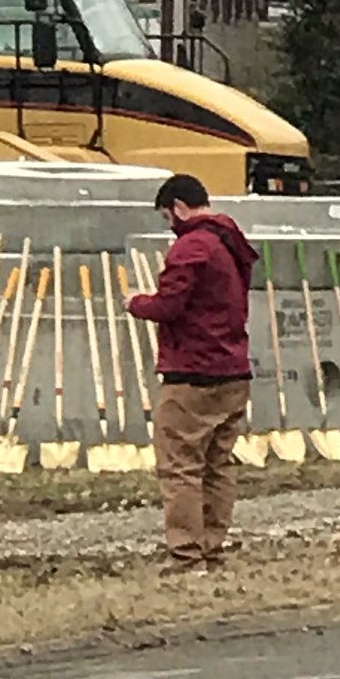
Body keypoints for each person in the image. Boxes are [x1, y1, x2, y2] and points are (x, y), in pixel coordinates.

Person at [123, 174, 258, 575]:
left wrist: (136, 303)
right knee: (218, 465)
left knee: (180, 465)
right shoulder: (231, 241)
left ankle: (186, 555)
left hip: (193, 373)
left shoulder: (191, 246)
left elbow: (169, 305)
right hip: (234, 370)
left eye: (168, 217)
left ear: (179, 207)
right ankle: (212, 549)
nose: (170, 226)